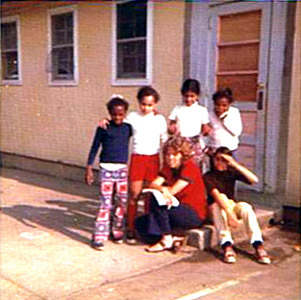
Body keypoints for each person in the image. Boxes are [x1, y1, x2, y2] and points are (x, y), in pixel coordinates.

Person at [99, 86, 168, 244]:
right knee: (134, 195)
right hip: (138, 158)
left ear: (155, 104)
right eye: (143, 104)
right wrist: (105, 121)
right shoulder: (132, 117)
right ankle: (130, 228)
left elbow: (164, 141)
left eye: (150, 105)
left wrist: (164, 164)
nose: (146, 108)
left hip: (154, 159)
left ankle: (151, 229)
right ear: (139, 103)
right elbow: (118, 122)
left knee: (151, 195)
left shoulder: (159, 119)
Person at [136, 136, 207, 253]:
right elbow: (153, 185)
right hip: (173, 208)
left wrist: (163, 190)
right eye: (168, 155)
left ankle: (166, 239)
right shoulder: (168, 167)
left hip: (193, 213)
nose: (170, 158)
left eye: (175, 154)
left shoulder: (190, 168)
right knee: (140, 223)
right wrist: (162, 189)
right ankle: (176, 238)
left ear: (182, 155)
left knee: (157, 200)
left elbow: (173, 191)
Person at [203, 147, 271, 264]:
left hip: (231, 205)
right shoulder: (209, 176)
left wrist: (235, 164)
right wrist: (230, 215)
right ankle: (226, 245)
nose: (219, 162)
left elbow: (254, 179)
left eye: (223, 160)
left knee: (245, 207)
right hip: (216, 208)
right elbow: (217, 196)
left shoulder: (231, 172)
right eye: (217, 159)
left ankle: (258, 245)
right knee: (220, 201)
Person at [85, 96, 132, 250]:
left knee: (121, 202)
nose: (117, 118)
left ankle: (117, 231)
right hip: (106, 169)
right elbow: (95, 147)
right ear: (109, 114)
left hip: (122, 170)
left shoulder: (128, 128)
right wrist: (89, 167)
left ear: (125, 114)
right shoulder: (103, 127)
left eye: (120, 115)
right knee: (105, 204)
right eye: (114, 114)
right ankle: (99, 236)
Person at [168, 79, 210, 168]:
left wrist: (206, 131)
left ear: (197, 95)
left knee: (194, 168)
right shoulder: (177, 109)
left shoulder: (201, 110)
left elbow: (205, 129)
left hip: (194, 143)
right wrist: (171, 128)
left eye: (192, 96)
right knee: (180, 167)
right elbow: (171, 127)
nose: (188, 99)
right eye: (186, 96)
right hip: (179, 143)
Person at [207, 88, 242, 158]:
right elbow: (206, 133)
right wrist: (207, 148)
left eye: (224, 105)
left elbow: (237, 132)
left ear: (229, 104)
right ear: (214, 103)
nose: (220, 108)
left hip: (230, 149)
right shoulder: (209, 115)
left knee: (231, 168)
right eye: (217, 105)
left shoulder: (234, 112)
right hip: (215, 149)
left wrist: (224, 120)